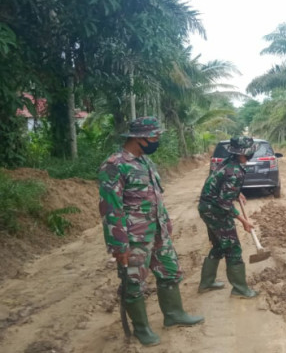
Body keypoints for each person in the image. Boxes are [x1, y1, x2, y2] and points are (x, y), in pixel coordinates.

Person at [98, 117, 203, 347]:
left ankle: (174, 314)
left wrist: (165, 223)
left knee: (170, 271)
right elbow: (111, 208)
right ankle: (142, 329)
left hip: (157, 232)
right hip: (134, 238)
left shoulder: (145, 161)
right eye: (154, 136)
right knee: (134, 283)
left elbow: (156, 197)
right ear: (138, 137)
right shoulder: (115, 164)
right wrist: (119, 245)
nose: (157, 140)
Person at [197, 136, 258, 298]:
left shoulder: (227, 162)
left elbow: (221, 185)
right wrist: (243, 220)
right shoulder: (235, 171)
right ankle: (239, 289)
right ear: (245, 153)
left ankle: (206, 283)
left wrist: (238, 193)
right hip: (216, 212)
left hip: (206, 207)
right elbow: (224, 202)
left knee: (218, 245)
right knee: (233, 248)